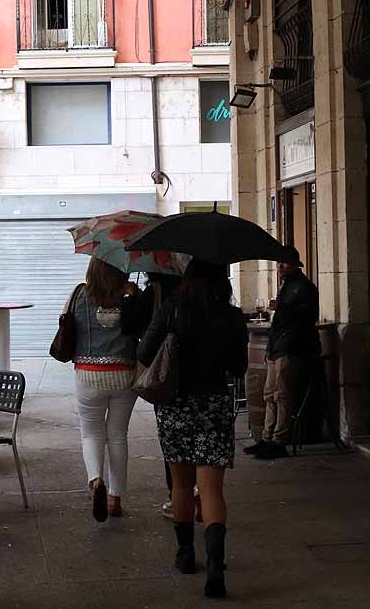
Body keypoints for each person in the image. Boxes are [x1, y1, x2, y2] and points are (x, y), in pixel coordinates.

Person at [138, 260, 248, 599]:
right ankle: (215, 565)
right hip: (213, 405)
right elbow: (239, 367)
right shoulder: (232, 316)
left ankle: (186, 554)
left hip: (175, 406)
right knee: (212, 490)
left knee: (182, 485)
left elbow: (144, 352)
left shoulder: (172, 309)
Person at [121, 272, 196, 520]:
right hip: (209, 390)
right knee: (203, 445)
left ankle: (177, 496)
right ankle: (201, 491)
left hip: (168, 381)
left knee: (173, 445)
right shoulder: (213, 304)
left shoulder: (159, 298)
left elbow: (139, 342)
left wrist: (131, 297)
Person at [70, 257, 140, 522]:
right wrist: (133, 296)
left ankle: (95, 480)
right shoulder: (129, 295)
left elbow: (69, 324)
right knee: (118, 435)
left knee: (91, 434)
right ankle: (115, 498)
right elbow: (139, 328)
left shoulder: (80, 294)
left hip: (88, 374)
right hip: (124, 373)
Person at [246, 245, 320, 460]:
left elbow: (307, 318)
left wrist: (282, 307)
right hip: (278, 345)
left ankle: (279, 440)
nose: (280, 266)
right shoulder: (287, 285)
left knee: (282, 395)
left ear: (295, 265)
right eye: (279, 262)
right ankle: (266, 438)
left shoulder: (304, 287)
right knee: (269, 394)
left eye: (284, 262)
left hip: (291, 346)